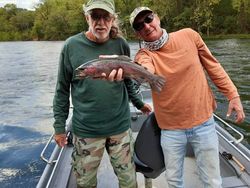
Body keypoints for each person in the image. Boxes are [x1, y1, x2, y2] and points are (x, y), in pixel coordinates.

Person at [126, 6, 246, 188]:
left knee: (212, 181)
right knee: (174, 182)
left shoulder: (189, 35)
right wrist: (127, 72)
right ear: (138, 35)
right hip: (170, 130)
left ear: (157, 18)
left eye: (148, 19)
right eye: (139, 26)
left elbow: (213, 66)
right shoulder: (144, 55)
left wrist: (233, 95)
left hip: (204, 123)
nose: (146, 26)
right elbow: (145, 71)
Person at [52, 1, 151, 188]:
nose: (101, 22)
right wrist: (59, 127)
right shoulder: (70, 46)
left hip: (120, 127)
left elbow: (128, 79)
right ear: (86, 18)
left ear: (113, 19)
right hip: (86, 130)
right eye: (95, 16)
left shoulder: (121, 44)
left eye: (106, 17)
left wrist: (139, 103)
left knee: (129, 182)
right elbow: (62, 90)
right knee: (85, 184)